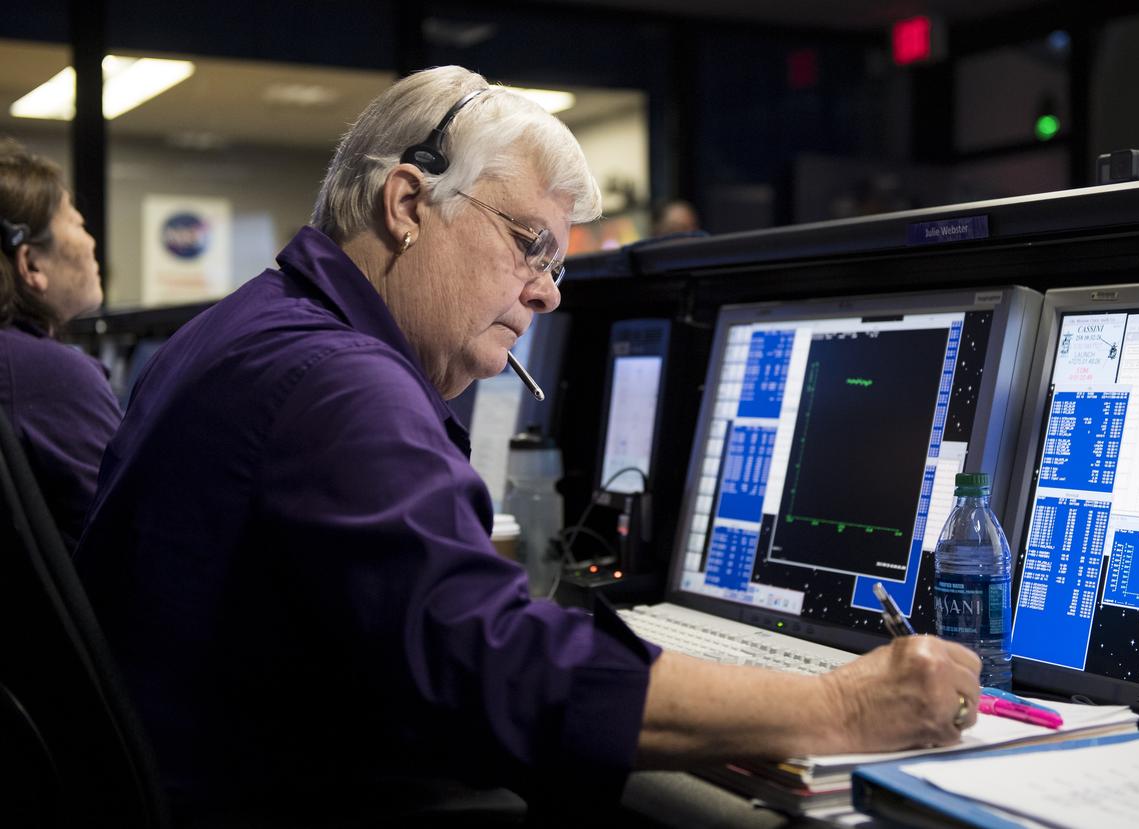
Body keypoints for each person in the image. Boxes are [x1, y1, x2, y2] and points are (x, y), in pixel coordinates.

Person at [75, 66, 980, 826]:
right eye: (531, 247)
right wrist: (842, 704)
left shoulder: (248, 327)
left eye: (555, 265)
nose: (548, 294)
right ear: (408, 204)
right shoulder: (335, 380)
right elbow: (502, 671)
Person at [0, 139, 120, 551]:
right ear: (31, 264)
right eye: (78, 223)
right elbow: (130, 532)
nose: (90, 243)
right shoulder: (49, 375)